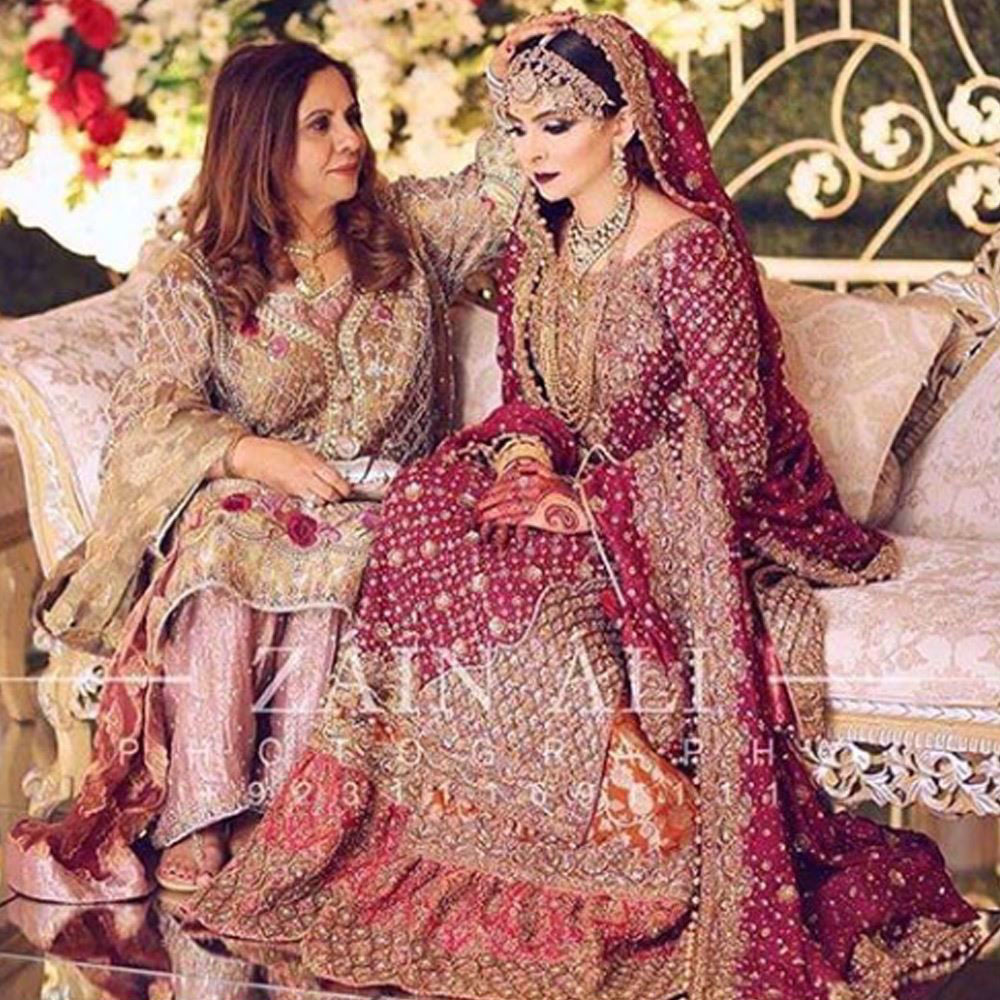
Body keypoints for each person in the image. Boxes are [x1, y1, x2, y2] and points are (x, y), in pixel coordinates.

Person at [188, 14, 983, 1000]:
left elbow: (737, 451)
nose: (532, 150)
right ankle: (423, 835)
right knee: (428, 512)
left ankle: (611, 850)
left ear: (624, 123)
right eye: (518, 128)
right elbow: (533, 399)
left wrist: (594, 502)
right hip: (566, 496)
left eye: (555, 126)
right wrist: (527, 459)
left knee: (536, 612)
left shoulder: (689, 253)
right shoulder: (543, 240)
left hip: (670, 518)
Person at [3, 26, 551, 901]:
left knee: (338, 550)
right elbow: (150, 418)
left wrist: (511, 75)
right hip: (252, 500)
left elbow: (504, 186)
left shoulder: (406, 233)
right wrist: (255, 455)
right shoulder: (197, 275)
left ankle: (292, 818)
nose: (351, 141)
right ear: (261, 143)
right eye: (320, 125)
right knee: (228, 537)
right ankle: (204, 809)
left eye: (351, 118)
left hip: (383, 503)